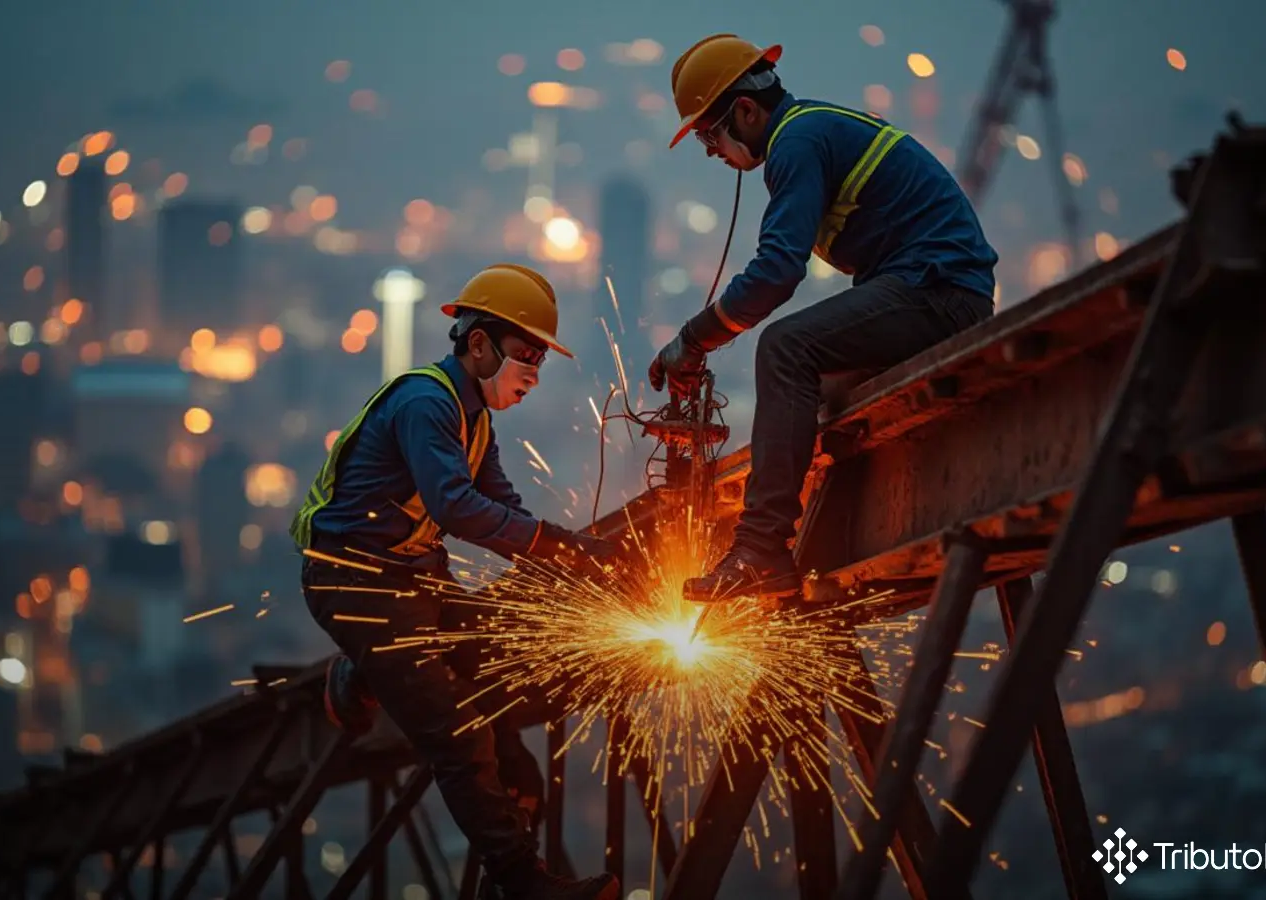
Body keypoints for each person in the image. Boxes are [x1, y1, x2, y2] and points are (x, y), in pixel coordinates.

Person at [292, 263, 621, 900]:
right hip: (353, 583)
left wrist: (579, 564)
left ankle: (360, 675)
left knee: (492, 662)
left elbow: (506, 508)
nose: (533, 370)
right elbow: (459, 510)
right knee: (459, 735)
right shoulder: (425, 404)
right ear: (477, 344)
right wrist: (561, 546)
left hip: (411, 580)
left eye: (540, 358)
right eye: (526, 353)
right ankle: (525, 886)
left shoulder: (475, 421)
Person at [649, 34, 999, 603]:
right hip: (925, 289)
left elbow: (776, 272)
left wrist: (694, 339)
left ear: (744, 110)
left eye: (710, 136)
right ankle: (789, 544)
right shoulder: (807, 133)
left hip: (940, 293)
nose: (712, 152)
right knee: (814, 398)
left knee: (786, 349)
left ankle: (761, 549)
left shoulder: (797, 140)